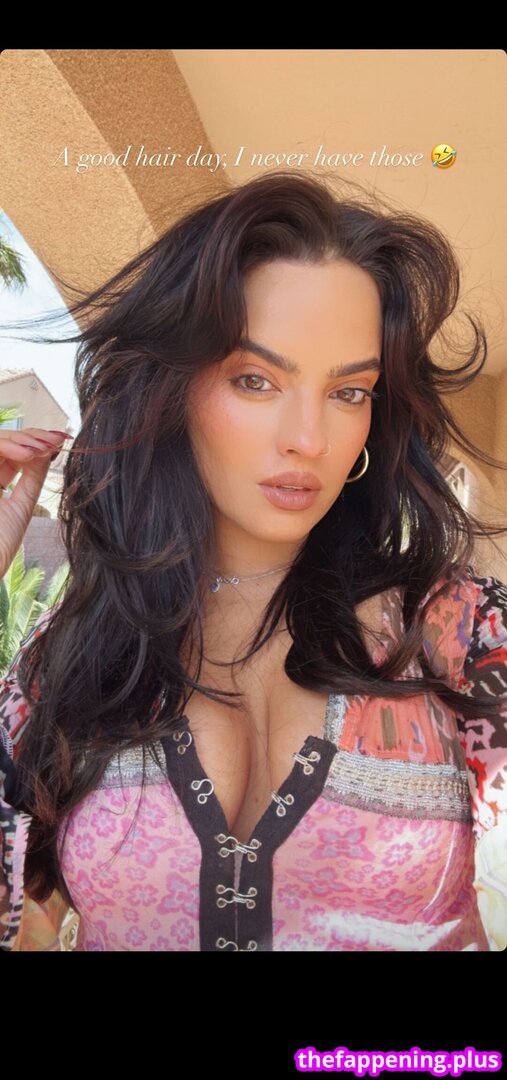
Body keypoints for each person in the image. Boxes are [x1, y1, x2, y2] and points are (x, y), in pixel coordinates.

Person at [0, 170, 506, 952]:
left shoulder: (458, 630)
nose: (308, 438)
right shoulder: (69, 658)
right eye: (254, 380)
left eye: (348, 392)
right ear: (170, 389)